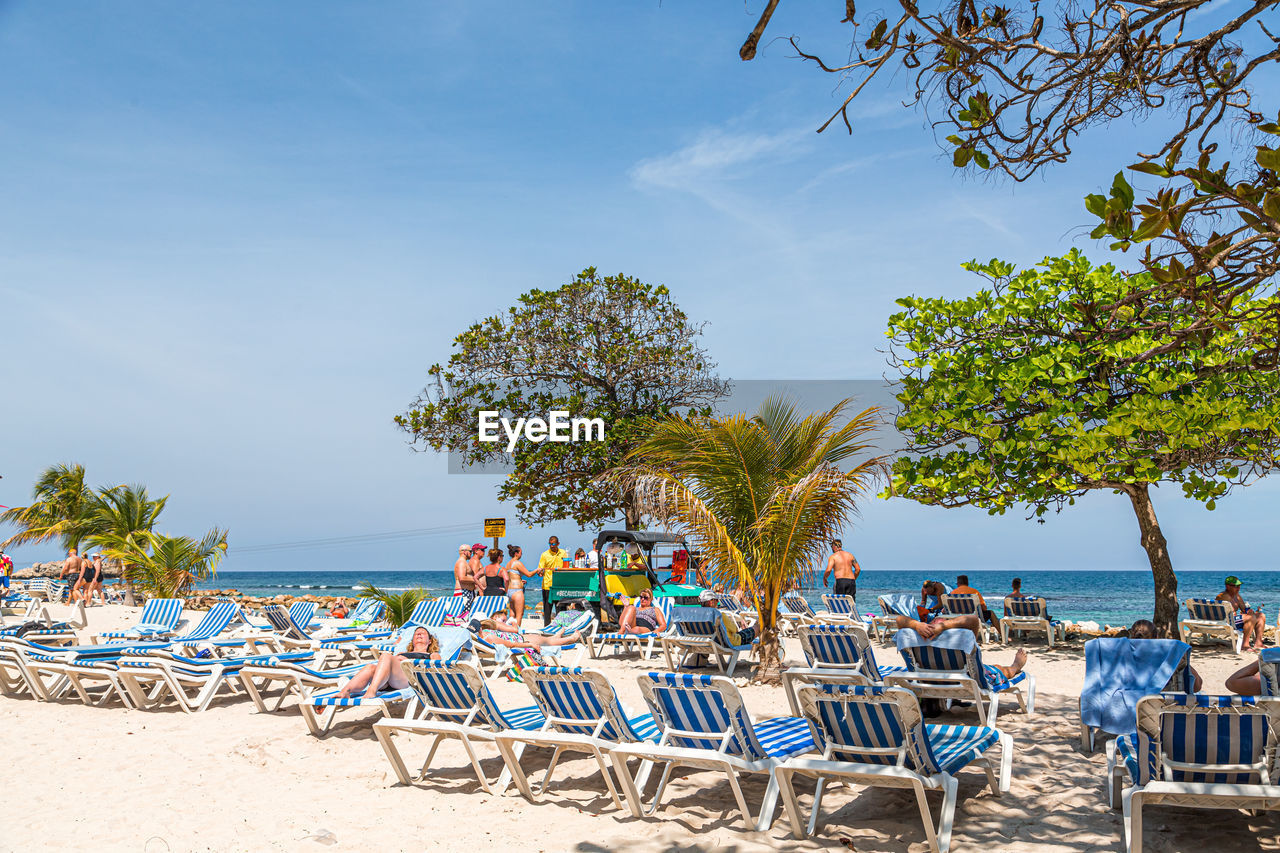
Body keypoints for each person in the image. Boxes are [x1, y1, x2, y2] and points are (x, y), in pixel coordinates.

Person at [894, 611, 1030, 676]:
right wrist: (943, 626)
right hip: (965, 677)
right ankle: (1015, 666)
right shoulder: (958, 641)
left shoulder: (918, 640)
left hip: (926, 678)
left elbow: (900, 620)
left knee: (991, 667)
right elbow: (973, 620)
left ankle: (1014, 666)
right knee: (998, 669)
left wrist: (917, 625)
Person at [335, 626, 440, 700]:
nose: (419, 634)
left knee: (385, 655)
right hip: (387, 682)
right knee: (370, 667)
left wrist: (406, 662)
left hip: (409, 680)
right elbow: (388, 664)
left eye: (423, 633)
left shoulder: (432, 654)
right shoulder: (403, 652)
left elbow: (436, 669)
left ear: (430, 641)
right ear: (412, 640)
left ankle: (372, 691)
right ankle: (345, 691)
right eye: (416, 633)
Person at [1128, 619, 1203, 690]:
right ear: (1157, 638)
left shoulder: (1124, 660)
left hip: (1133, 702)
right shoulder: (1171, 658)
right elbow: (1197, 687)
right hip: (1167, 702)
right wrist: (1183, 660)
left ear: (1132, 638)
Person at [1217, 575, 1267, 653]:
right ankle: (1245, 645)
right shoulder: (1223, 596)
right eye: (1236, 586)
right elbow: (1229, 614)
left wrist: (1248, 611)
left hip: (1234, 621)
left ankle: (1258, 643)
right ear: (1228, 586)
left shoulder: (1236, 595)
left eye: (1239, 586)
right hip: (1226, 622)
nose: (1238, 588)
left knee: (1261, 616)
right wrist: (1248, 615)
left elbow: (1243, 609)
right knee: (1251, 618)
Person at [537, 536, 569, 624]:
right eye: (550, 544)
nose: (551, 546)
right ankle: (547, 628)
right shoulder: (544, 554)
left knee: (561, 610)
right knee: (547, 610)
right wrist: (540, 572)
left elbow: (567, 566)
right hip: (548, 585)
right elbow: (540, 569)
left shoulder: (563, 553)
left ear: (558, 544)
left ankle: (561, 628)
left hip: (560, 585)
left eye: (553, 544)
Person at [504, 545, 538, 627]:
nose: (521, 555)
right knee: (519, 615)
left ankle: (511, 632)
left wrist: (520, 580)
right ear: (516, 553)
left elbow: (512, 576)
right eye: (521, 553)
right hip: (517, 591)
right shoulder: (517, 563)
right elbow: (529, 574)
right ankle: (517, 633)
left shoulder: (508, 564)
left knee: (512, 616)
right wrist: (537, 570)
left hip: (510, 591)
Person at [822, 539, 860, 604]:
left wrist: (825, 578)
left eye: (832, 547)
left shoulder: (833, 557)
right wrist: (853, 579)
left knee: (839, 603)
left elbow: (828, 570)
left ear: (834, 546)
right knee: (851, 603)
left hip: (840, 581)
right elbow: (858, 569)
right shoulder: (850, 555)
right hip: (851, 581)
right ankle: (851, 614)